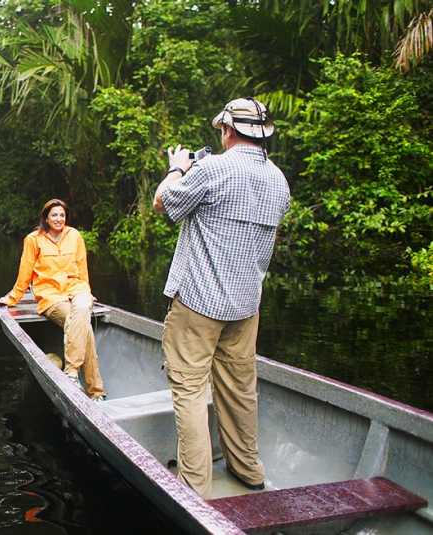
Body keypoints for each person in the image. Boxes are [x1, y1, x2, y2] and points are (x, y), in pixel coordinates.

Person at [152, 98, 290, 498]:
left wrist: (178, 167)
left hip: (199, 303)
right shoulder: (280, 180)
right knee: (239, 388)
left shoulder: (212, 169)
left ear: (228, 131)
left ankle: (194, 489)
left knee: (190, 388)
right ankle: (248, 470)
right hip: (247, 306)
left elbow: (163, 202)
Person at [0, 199, 106, 401]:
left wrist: (87, 291)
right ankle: (96, 391)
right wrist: (13, 297)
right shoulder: (33, 239)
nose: (58, 219)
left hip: (77, 288)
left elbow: (82, 268)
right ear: (46, 218)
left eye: (62, 215)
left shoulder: (74, 236)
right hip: (51, 295)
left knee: (82, 307)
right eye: (54, 215)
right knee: (85, 328)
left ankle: (71, 372)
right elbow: (25, 272)